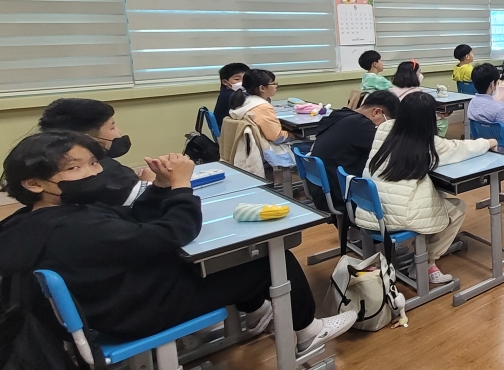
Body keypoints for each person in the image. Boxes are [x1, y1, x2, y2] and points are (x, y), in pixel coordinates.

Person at [0, 132, 356, 354]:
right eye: (76, 168)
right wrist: (181, 186)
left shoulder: (39, 217)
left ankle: (257, 313)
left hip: (116, 298)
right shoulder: (71, 229)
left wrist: (158, 186)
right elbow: (172, 233)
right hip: (135, 311)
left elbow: (137, 224)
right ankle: (307, 331)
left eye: (94, 162)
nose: (95, 172)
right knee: (264, 258)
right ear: (34, 183)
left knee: (238, 256)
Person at [355, 93, 498, 285]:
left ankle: (418, 250)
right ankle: (426, 262)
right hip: (398, 216)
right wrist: (489, 142)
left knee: (437, 195)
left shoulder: (384, 128)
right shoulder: (428, 143)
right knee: (457, 208)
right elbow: (460, 148)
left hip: (371, 209)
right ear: (429, 119)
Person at [38, 98, 149, 207]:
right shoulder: (110, 172)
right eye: (112, 127)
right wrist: (151, 182)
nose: (119, 132)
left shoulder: (43, 164)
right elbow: (148, 206)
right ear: (88, 139)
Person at [306, 90, 400, 209]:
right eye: (386, 122)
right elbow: (392, 149)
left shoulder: (339, 116)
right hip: (343, 196)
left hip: (322, 190)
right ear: (376, 112)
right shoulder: (362, 126)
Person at [227, 69, 293, 167]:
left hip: (246, 149)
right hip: (264, 150)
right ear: (262, 88)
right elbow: (276, 137)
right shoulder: (262, 107)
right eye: (273, 83)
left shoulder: (244, 101)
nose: (276, 86)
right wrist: (293, 135)